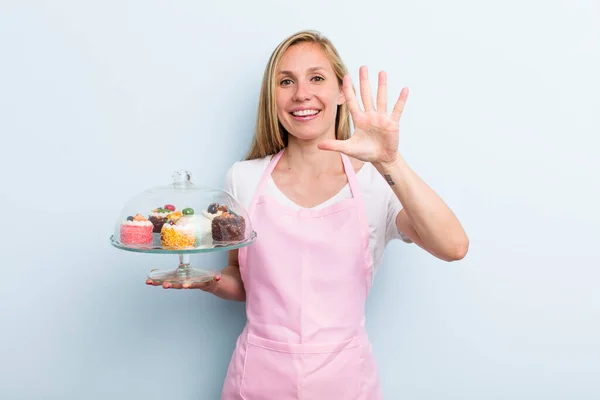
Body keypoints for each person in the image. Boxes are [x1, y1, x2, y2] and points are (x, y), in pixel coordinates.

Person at [148, 30, 469, 399]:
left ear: (339, 93)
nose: (301, 93)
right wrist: (211, 281)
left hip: (345, 381)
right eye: (286, 81)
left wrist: (389, 160)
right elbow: (243, 279)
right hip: (257, 379)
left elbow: (453, 246)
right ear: (273, 97)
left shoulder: (376, 182)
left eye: (316, 78)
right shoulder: (244, 178)